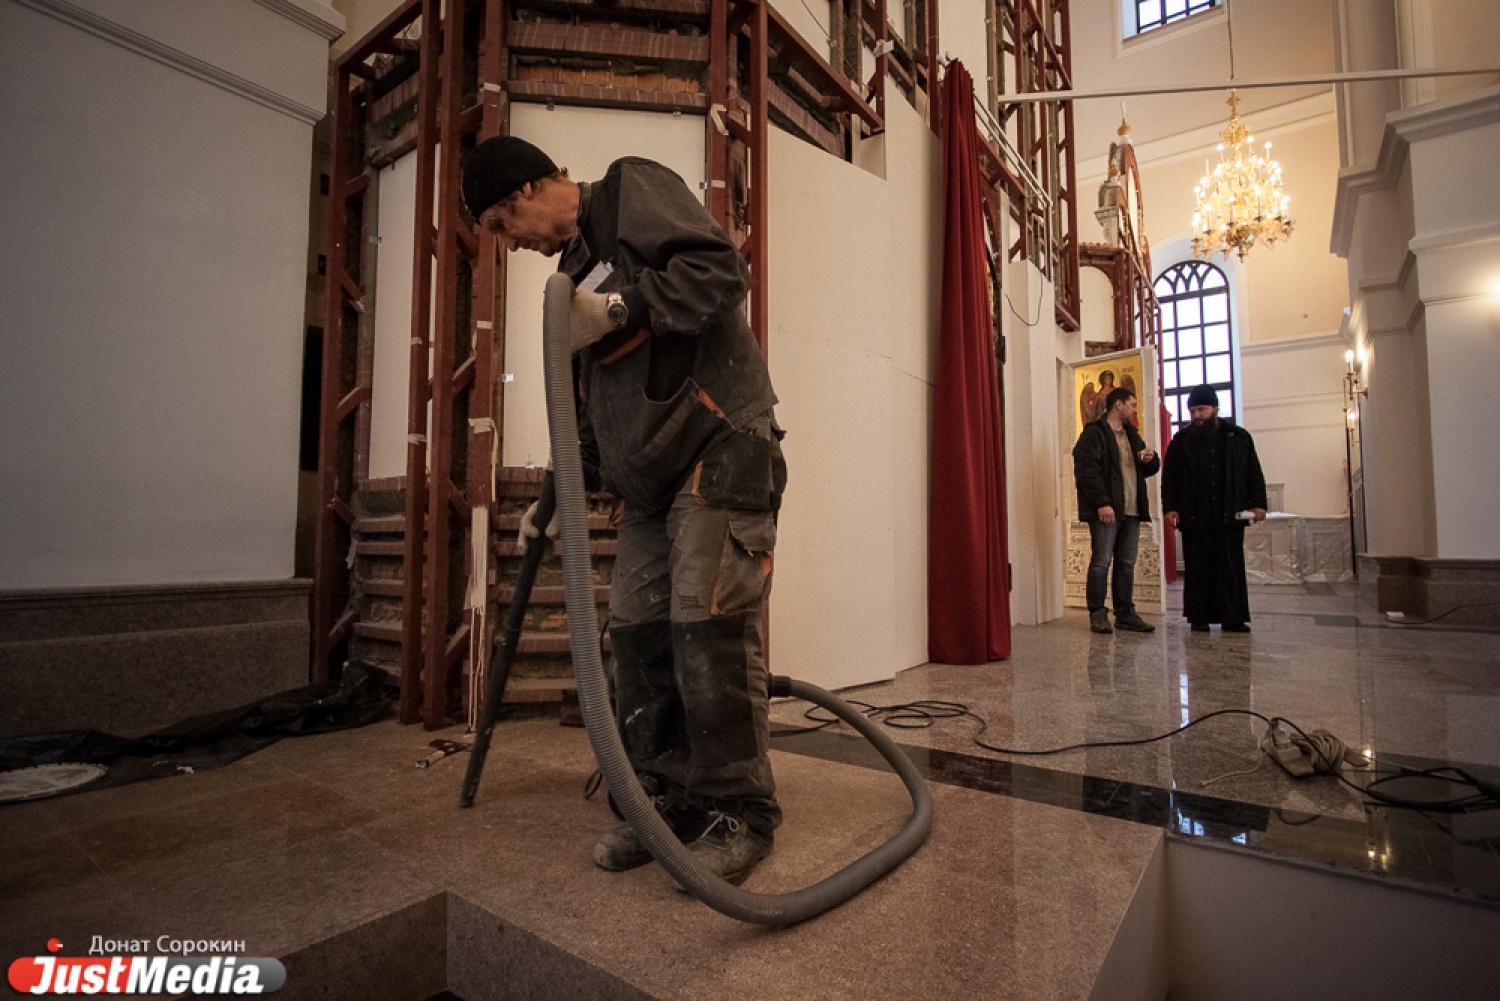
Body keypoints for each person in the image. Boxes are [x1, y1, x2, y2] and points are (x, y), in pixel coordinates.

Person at [460, 137, 785, 885]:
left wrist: (617, 309)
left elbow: (720, 272)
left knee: (704, 628)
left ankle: (738, 813)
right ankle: (663, 803)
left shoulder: (627, 189)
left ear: (526, 190)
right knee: (635, 638)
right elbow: (586, 412)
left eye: (505, 225)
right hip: (647, 487)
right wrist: (553, 501)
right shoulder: (571, 277)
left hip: (720, 444)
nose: (513, 243)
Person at [1161, 385, 1267, 633]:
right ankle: (1199, 618)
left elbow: (1253, 472)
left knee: (1229, 568)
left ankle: (1233, 618)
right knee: (1198, 569)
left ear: (1215, 409)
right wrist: (1170, 508)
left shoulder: (1238, 437)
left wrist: (1258, 503)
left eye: (1202, 409)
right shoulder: (1181, 441)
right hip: (1194, 516)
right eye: (1193, 411)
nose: (1197, 415)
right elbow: (1170, 478)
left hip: (1228, 514)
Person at [1072, 386, 1160, 634]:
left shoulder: (1132, 435)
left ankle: (1125, 613)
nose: (1135, 410)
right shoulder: (1094, 434)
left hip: (1131, 509)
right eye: (1132, 405)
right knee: (1101, 562)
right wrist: (1102, 502)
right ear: (1118, 405)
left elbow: (1147, 470)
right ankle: (1098, 614)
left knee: (1126, 563)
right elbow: (1086, 471)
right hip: (1107, 509)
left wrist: (1151, 459)